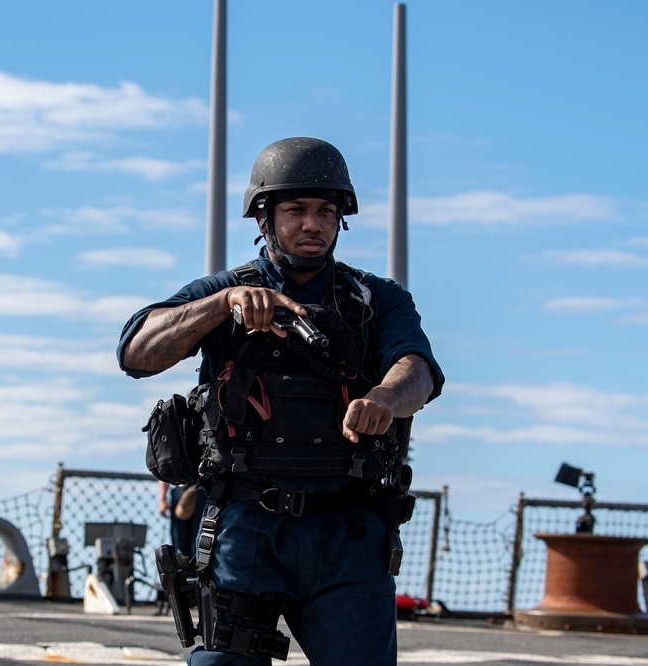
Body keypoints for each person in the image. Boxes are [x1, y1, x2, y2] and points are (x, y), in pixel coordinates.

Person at [118, 137, 444, 665]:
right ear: (264, 219)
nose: (312, 224)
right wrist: (220, 307)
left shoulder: (377, 299)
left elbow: (419, 369)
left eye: (326, 211)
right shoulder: (225, 291)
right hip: (246, 529)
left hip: (348, 530)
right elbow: (136, 351)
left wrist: (386, 395)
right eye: (295, 211)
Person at [158, 480, 206, 559]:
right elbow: (163, 470)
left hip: (203, 489)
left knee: (200, 543)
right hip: (181, 489)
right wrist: (162, 499)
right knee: (179, 548)